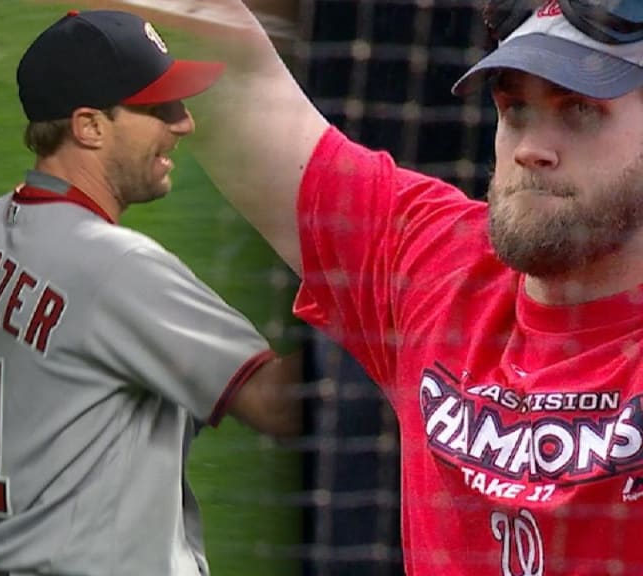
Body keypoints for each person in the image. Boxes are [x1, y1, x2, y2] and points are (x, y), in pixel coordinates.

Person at [181, 0, 643, 574]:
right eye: (516, 109)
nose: (530, 149)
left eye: (579, 110)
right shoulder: (435, 267)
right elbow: (226, 69)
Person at [0, 10, 301, 576]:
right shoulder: (116, 266)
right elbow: (279, 407)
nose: (184, 124)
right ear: (89, 126)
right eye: (159, 108)